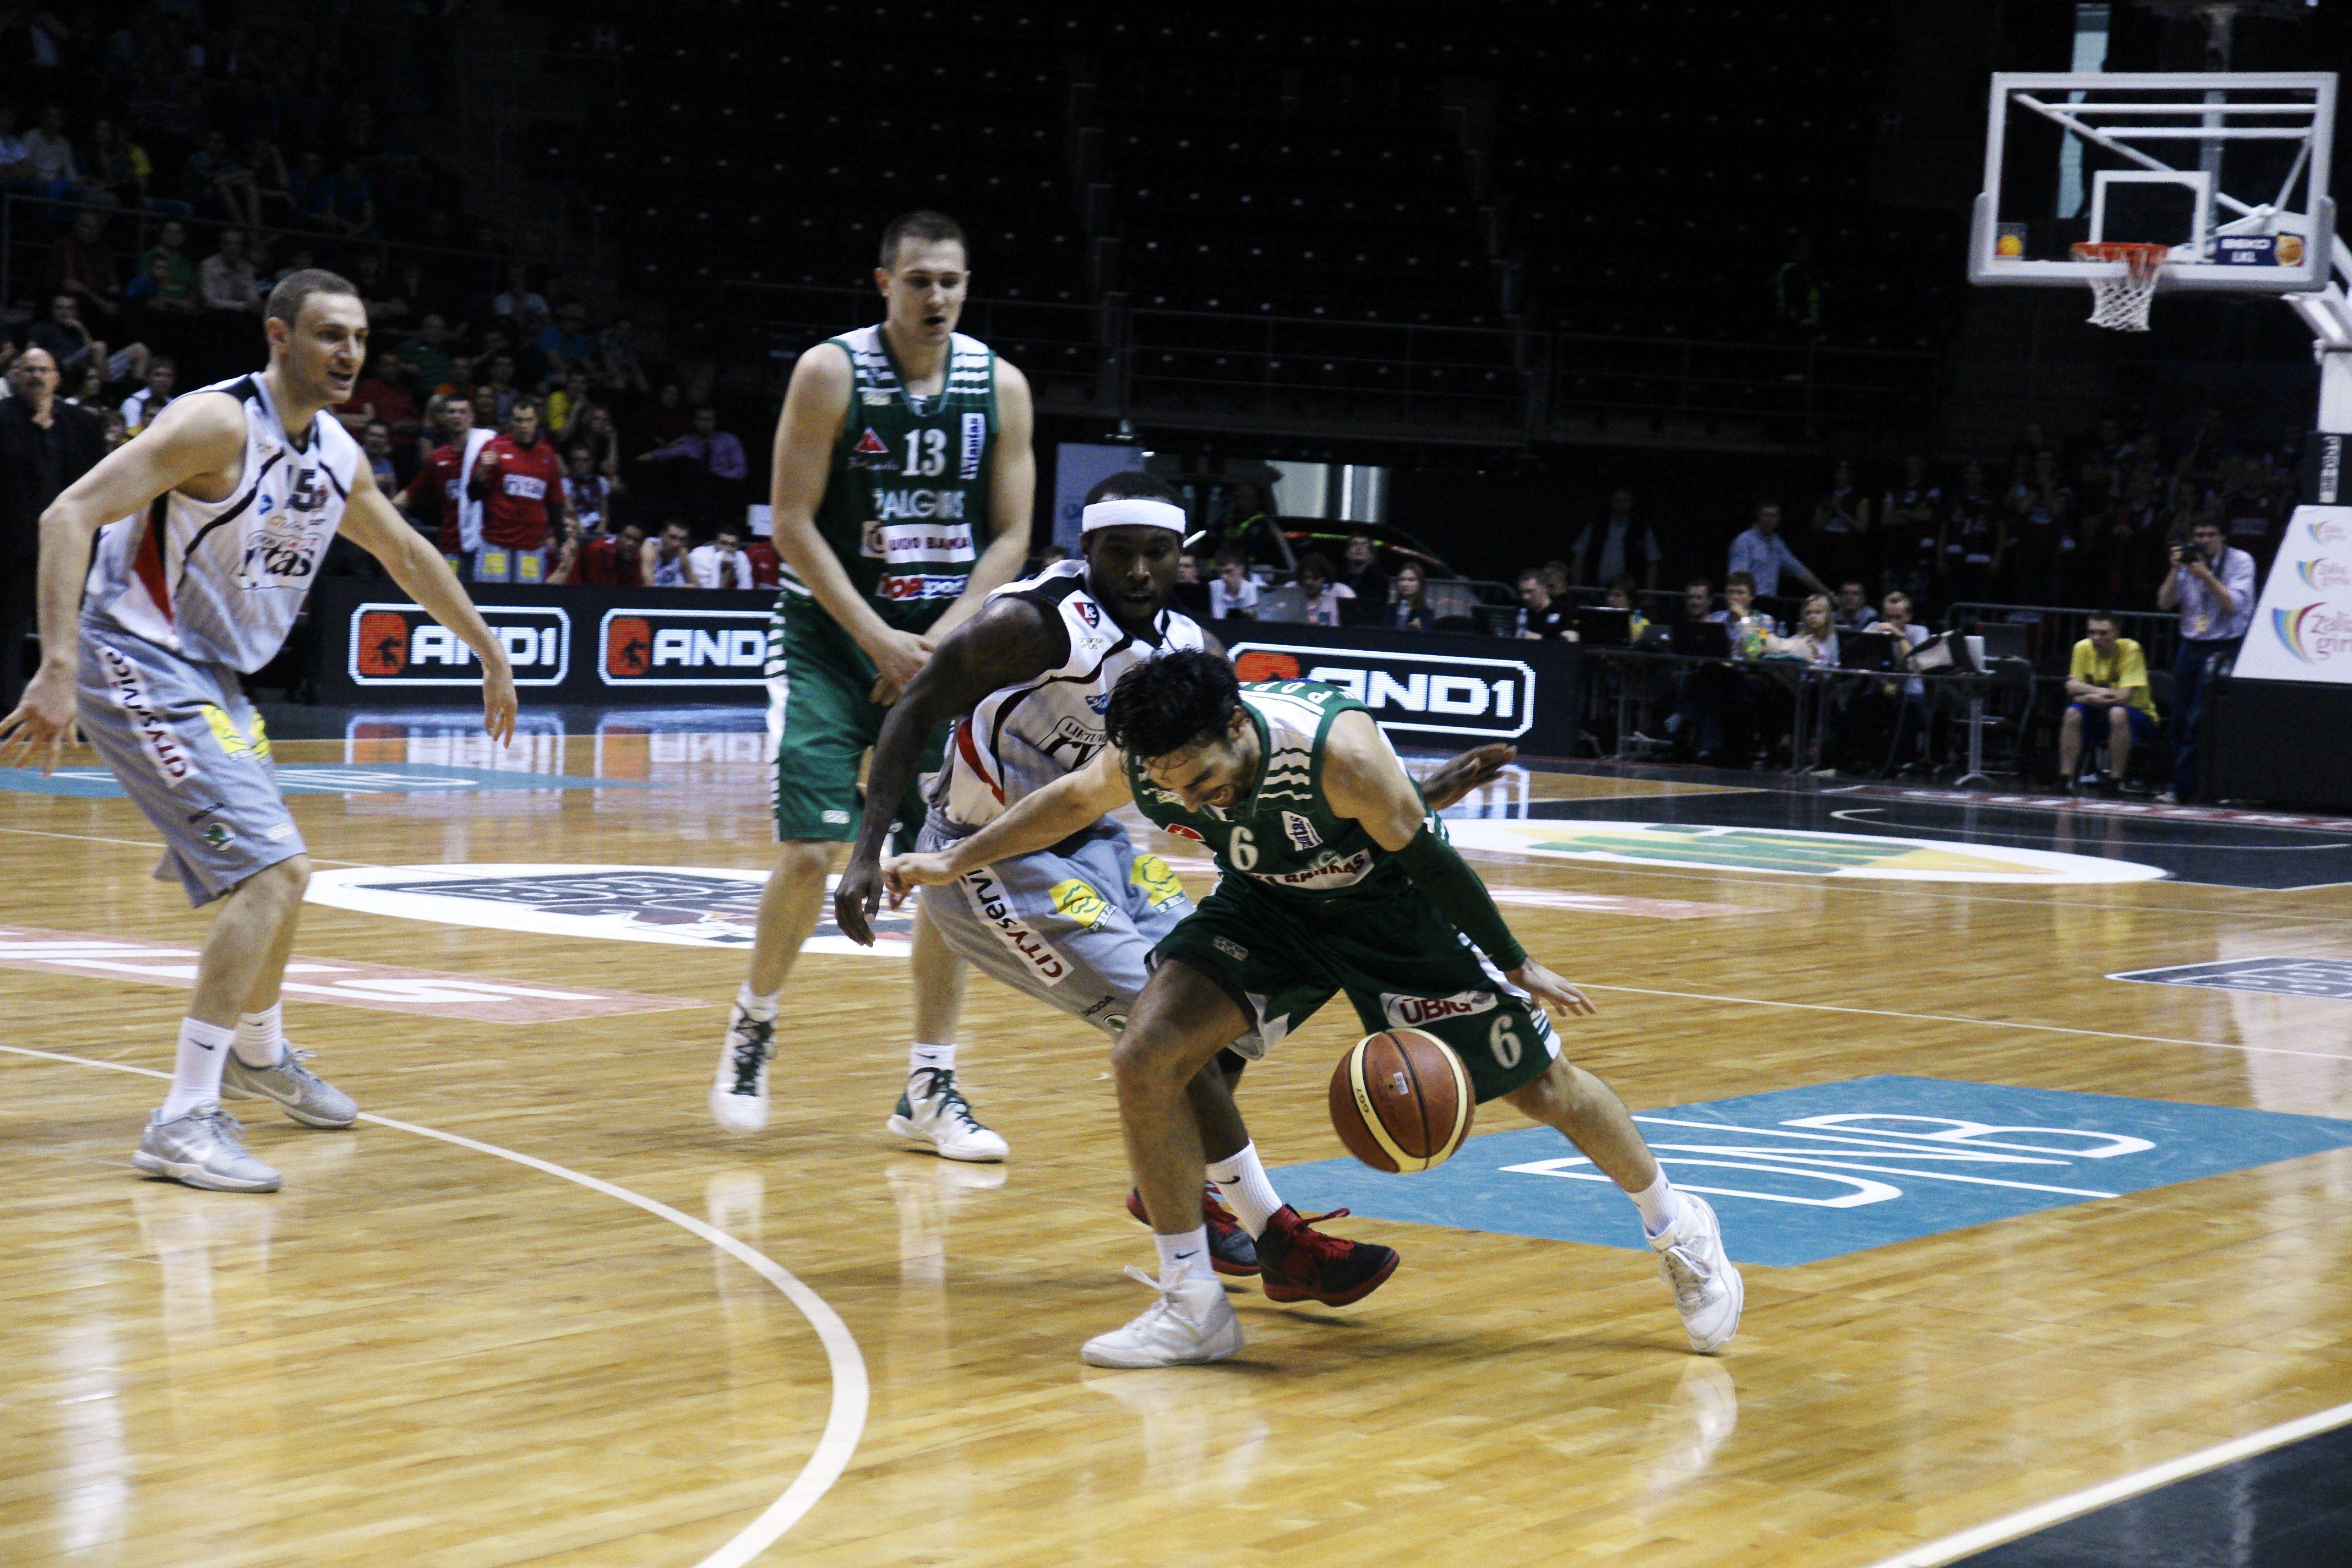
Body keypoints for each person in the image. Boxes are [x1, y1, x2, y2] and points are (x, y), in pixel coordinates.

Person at [883, 651, 1741, 1367]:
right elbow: (1064, 804)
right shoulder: (1149, 763)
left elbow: (1435, 861)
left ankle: (1678, 1225)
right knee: (1145, 1054)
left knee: (1543, 1089)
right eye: (1171, 790)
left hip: (1392, 915)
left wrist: (1517, 960)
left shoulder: (1338, 751)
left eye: (1205, 781)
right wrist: (952, 860)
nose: (1190, 802)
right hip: (1267, 910)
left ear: (1236, 727)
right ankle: (1193, 1305)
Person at [835, 472, 1511, 1293]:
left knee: (1213, 1009)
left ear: (1181, 557)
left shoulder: (1188, 650)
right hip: (988, 853)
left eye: (1158, 554)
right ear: (1087, 551)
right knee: (1164, 1037)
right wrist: (868, 848)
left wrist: (1418, 797)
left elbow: (1260, 775)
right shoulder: (1032, 623)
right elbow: (915, 706)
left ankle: (1177, 1182)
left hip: (1099, 841)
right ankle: (1277, 1238)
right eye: (1120, 553)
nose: (1140, 571)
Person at [0, 269, 517, 1194]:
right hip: (136, 655)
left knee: (287, 872)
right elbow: (67, 511)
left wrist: (489, 651)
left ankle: (258, 1051)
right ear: (278, 337)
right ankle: (183, 1118)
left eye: (358, 336)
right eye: (328, 334)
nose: (349, 352)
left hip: (215, 683)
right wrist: (60, 664)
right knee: (269, 872)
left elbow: (404, 551)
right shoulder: (216, 424)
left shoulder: (334, 454)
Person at [706, 210, 1035, 1157]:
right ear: (884, 282)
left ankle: (930, 1084)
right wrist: (875, 635)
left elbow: (1010, 535)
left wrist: (936, 642)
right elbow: (792, 524)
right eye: (920, 279)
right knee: (812, 852)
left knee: (942, 866)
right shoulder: (830, 371)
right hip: (829, 634)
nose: (938, 296)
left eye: (952, 281)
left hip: (941, 649)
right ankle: (753, 1022)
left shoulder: (999, 385)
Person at [0, 348, 110, 715]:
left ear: (57, 378)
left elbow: (100, 484)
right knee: (6, 640)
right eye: (28, 370)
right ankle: (7, 717)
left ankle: (74, 716)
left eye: (43, 370)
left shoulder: (82, 424)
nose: (36, 376)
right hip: (11, 549)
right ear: (17, 375)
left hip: (69, 551)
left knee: (71, 635)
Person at [2156, 519, 2256, 803]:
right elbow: (2164, 603)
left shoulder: (2240, 561)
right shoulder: (2188, 560)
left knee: (2199, 719)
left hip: (2224, 645)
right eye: (2199, 535)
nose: (2204, 540)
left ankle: (2189, 786)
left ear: (2222, 537)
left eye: (2211, 534)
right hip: (2190, 645)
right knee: (2178, 716)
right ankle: (2178, 784)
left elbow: (2233, 605)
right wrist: (2176, 570)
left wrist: (2207, 576)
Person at [469, 397, 568, 584]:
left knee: (528, 603)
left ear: (536, 421)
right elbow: (473, 495)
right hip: (496, 543)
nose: (524, 426)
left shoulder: (547, 455)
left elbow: (555, 504)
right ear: (512, 422)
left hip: (532, 546)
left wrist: (562, 542)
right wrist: (482, 470)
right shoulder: (495, 448)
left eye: (529, 420)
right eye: (519, 420)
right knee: (492, 601)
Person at [2059, 612, 2158, 794]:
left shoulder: (2131, 649)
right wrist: (2092, 696)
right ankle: (2067, 779)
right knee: (2072, 713)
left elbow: (2123, 697)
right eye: (2092, 633)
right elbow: (2073, 694)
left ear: (2116, 634)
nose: (2096, 638)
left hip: (2137, 714)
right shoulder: (2081, 648)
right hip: (2095, 710)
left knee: (2117, 712)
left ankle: (2115, 780)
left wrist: (2086, 690)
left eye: (2103, 633)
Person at [395, 394, 492, 573]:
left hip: (487, 545)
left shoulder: (487, 451)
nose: (457, 416)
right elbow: (408, 496)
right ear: (444, 418)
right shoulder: (438, 459)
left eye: (463, 412)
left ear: (472, 417)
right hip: (452, 545)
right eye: (452, 412)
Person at [1727, 499, 1826, 600]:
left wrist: (1828, 594)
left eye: (1773, 516)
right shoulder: (1744, 541)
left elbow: (1800, 571)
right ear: (1758, 517)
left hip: (1770, 603)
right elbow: (1737, 579)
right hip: (1749, 602)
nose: (1769, 520)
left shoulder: (1777, 543)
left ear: (1779, 519)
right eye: (1765, 515)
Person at [1570, 488, 1660, 591]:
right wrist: (1577, 588)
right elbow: (1579, 555)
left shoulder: (1642, 530)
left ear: (1632, 504)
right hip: (1595, 590)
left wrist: (1650, 595)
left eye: (1625, 501)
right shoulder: (1597, 527)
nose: (1620, 504)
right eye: (1617, 500)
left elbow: (1653, 562)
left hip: (1631, 593)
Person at [1807, 460, 1871, 592]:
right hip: (1825, 554)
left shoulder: (1859, 498)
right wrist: (1831, 509)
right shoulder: (1826, 497)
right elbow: (1816, 525)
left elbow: (1862, 527)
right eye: (1838, 473)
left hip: (1848, 556)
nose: (1841, 476)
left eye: (1844, 473)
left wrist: (1841, 511)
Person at [118, 358, 176, 437]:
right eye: (158, 375)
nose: (163, 380)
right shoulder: (132, 403)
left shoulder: (176, 403)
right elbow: (130, 435)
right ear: (148, 377)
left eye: (168, 376)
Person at [1294, 552, 1354, 627]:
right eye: (1305, 577)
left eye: (1315, 578)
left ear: (1325, 577)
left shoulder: (1342, 592)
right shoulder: (1291, 589)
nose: (1309, 582)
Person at [690, 524, 755, 590]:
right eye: (723, 543)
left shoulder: (740, 556)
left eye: (733, 545)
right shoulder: (699, 555)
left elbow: (747, 588)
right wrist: (723, 569)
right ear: (715, 543)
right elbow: (709, 594)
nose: (728, 548)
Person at [1336, 532, 1388, 613]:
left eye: (1364, 545)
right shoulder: (1337, 577)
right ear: (1347, 552)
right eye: (1354, 544)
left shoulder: (1379, 579)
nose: (1359, 548)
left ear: (1371, 554)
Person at [1516, 565, 1569, 639]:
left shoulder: (1563, 612)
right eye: (1522, 592)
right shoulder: (1520, 611)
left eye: (1530, 591)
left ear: (1545, 588)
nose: (1525, 597)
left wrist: (1540, 638)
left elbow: (1567, 639)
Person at [1208, 549, 1259, 620]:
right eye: (1221, 572)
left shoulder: (1253, 589)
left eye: (1229, 571)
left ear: (1241, 568)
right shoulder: (1214, 587)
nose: (1224, 577)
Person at [642, 519, 693, 586]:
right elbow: (648, 586)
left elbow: (698, 587)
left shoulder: (682, 553)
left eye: (682, 540)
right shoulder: (651, 547)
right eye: (672, 537)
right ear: (662, 535)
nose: (677, 544)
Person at [1384, 560, 1433, 630]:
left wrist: (1421, 628)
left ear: (1420, 584)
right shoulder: (1389, 610)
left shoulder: (1426, 614)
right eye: (1402, 579)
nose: (1405, 584)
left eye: (1411, 580)